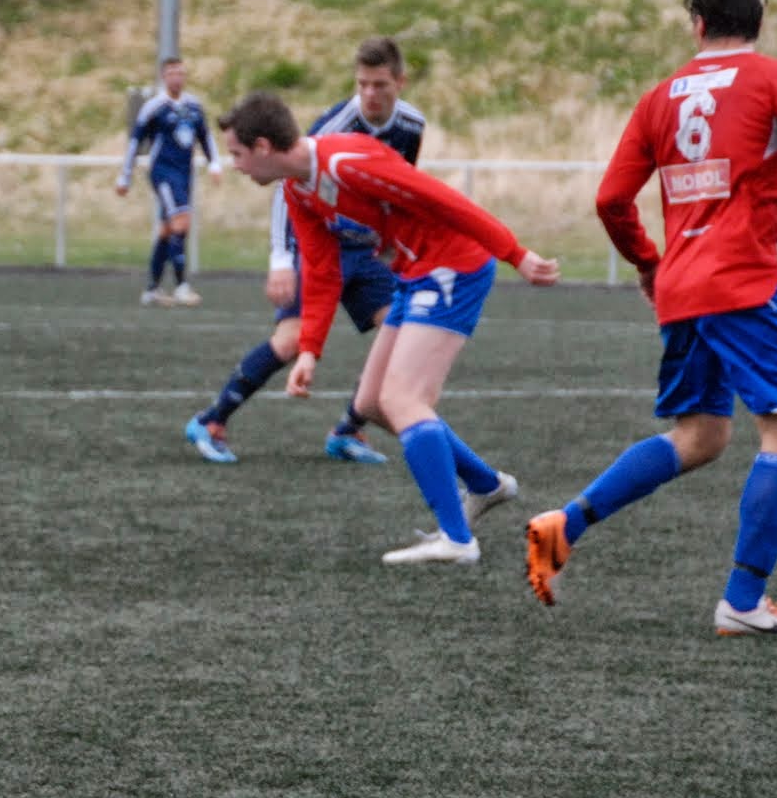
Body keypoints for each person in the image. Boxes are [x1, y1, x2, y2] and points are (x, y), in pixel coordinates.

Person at [526, 0, 777, 637]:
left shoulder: (660, 97)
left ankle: (563, 526)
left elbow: (611, 199)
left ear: (698, 26)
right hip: (745, 284)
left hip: (682, 288)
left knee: (701, 436)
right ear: (757, 24)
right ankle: (743, 601)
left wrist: (649, 262)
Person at [221, 91, 561, 565]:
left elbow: (442, 199)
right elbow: (320, 268)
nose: (234, 165)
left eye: (236, 153)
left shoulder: (345, 162)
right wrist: (309, 350)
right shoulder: (298, 189)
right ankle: (485, 484)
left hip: (452, 265)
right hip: (415, 273)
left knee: (403, 399)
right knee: (372, 405)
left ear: (262, 147)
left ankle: (457, 540)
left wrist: (514, 253)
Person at [186, 37, 426, 464]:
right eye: (362, 84)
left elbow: (397, 185)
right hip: (317, 244)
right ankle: (211, 421)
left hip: (363, 250)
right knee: (292, 341)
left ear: (400, 82)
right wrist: (281, 258)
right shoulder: (336, 124)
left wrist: (393, 244)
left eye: (379, 85)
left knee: (401, 331)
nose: (369, 94)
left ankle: (347, 430)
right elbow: (288, 185)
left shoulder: (411, 125)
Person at [116, 56, 218, 306]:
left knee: (168, 230)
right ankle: (182, 286)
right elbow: (135, 140)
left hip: (184, 174)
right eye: (171, 73)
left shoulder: (194, 105)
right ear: (163, 77)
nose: (176, 78)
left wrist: (214, 163)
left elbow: (205, 137)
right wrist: (125, 175)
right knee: (182, 222)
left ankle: (152, 289)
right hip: (162, 172)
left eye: (180, 73)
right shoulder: (154, 107)